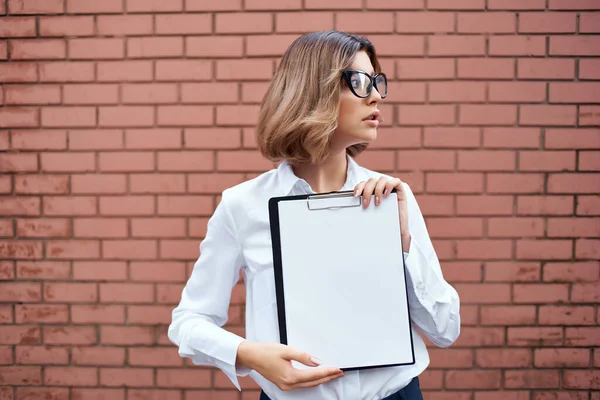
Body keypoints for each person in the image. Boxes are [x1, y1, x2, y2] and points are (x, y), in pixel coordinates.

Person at [168, 30, 461, 400]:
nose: (376, 96)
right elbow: (189, 322)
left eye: (377, 82)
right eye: (358, 81)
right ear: (313, 90)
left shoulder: (392, 198)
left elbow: (445, 329)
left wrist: (403, 243)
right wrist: (251, 355)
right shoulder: (242, 206)